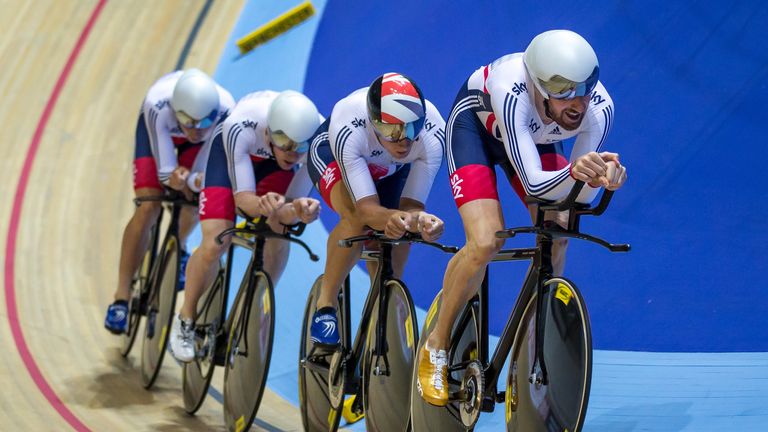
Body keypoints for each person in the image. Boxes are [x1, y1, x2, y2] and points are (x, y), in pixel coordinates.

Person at [416, 29, 629, 406]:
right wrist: (580, 172)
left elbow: (577, 197)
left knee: (560, 228)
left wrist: (602, 178)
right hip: (476, 134)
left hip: (536, 141)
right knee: (486, 240)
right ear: (537, 85)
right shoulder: (509, 87)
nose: (577, 103)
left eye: (584, 89)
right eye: (563, 92)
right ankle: (437, 342)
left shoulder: (600, 108)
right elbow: (534, 184)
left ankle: (537, 330)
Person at [169, 90, 323, 362]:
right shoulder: (240, 125)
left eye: (299, 146)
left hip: (275, 172)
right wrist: (262, 205)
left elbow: (288, 210)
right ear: (269, 132)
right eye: (282, 141)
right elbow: (243, 200)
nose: (291, 152)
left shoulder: (318, 145)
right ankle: (186, 318)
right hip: (229, 164)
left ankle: (253, 309)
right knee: (216, 241)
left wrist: (300, 211)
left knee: (280, 234)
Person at [306, 72, 446, 347]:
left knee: (403, 229)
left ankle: (383, 295)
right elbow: (367, 209)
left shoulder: (432, 133)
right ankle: (325, 306)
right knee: (356, 218)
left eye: (411, 128)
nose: (404, 141)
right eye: (393, 131)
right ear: (373, 122)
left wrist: (423, 221)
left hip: (390, 168)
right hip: (334, 156)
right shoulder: (350, 124)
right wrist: (390, 216)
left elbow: (411, 208)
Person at [104, 69, 235, 334]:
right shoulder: (158, 104)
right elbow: (165, 171)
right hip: (159, 135)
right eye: (188, 121)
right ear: (177, 111)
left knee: (196, 195)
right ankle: (121, 296)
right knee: (149, 207)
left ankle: (181, 244)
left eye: (204, 121)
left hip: (202, 150)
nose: (196, 129)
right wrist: (176, 178)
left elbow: (204, 172)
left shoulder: (226, 111)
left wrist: (193, 182)